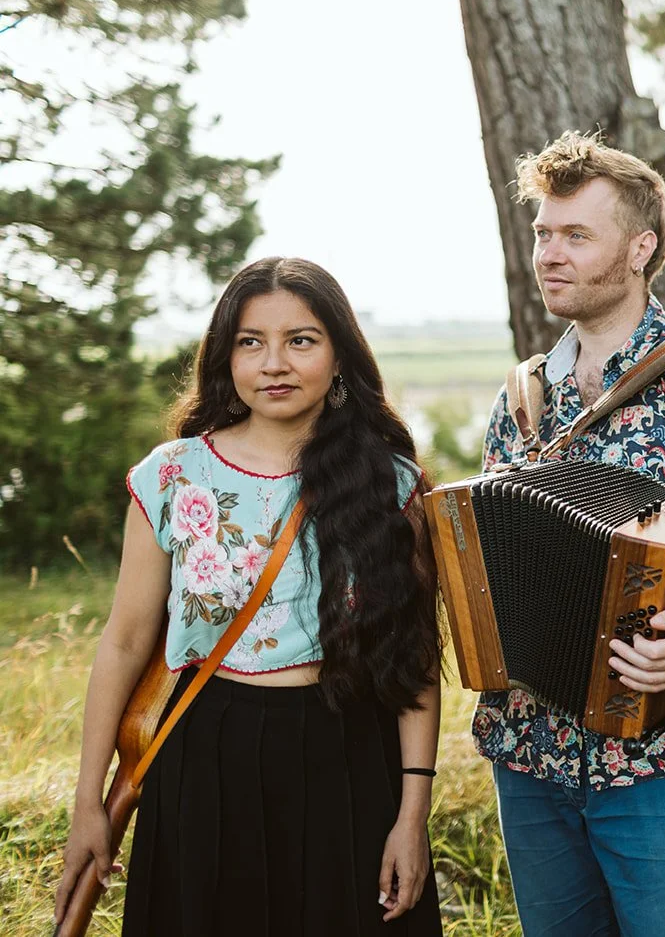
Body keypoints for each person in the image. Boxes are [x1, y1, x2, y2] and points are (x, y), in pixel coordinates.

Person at [55, 257, 443, 936]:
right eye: (250, 341)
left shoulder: (392, 483)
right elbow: (122, 640)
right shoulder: (172, 476)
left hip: (348, 758)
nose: (275, 362)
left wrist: (412, 815)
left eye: (301, 339)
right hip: (204, 753)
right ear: (224, 356)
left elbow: (413, 661)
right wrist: (88, 799)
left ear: (339, 353)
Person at [475, 132, 665, 936]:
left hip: (664, 762)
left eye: (576, 234)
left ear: (641, 247)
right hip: (531, 755)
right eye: (544, 232)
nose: (549, 252)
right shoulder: (525, 394)